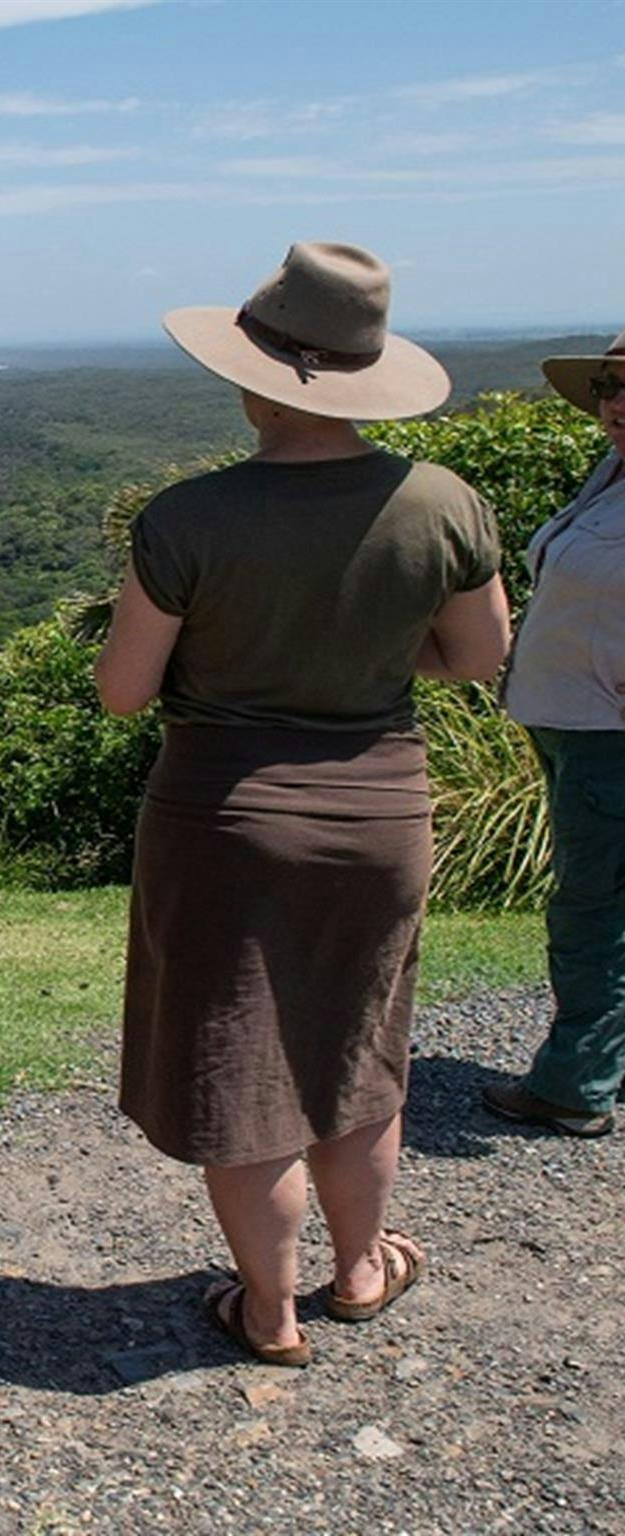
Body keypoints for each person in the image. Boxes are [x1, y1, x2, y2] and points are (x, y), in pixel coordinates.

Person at [94, 243, 511, 1366]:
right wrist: (372, 661)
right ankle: (360, 1270)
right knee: (359, 1048)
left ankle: (267, 1311)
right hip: (381, 810)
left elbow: (124, 692)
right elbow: (477, 658)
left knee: (237, 1060)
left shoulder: (185, 519)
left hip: (222, 816)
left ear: (254, 377)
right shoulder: (441, 502)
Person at [482, 329, 625, 1139]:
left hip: (606, 731)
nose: (616, 402)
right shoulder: (610, 473)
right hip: (574, 719)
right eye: (610, 384)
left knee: (591, 908)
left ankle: (575, 1085)